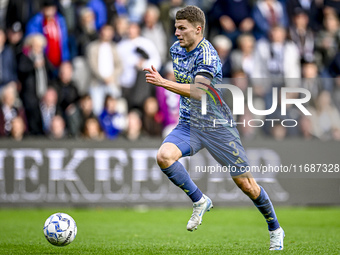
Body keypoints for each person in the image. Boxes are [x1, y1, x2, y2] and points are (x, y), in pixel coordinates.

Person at [143, 6, 284, 250]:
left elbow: (199, 92)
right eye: (176, 27)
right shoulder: (176, 49)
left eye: (182, 28)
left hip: (217, 127)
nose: (176, 32)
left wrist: (163, 82)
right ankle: (200, 200)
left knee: (247, 185)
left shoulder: (208, 55)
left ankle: (275, 228)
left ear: (198, 29)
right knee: (164, 157)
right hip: (189, 124)